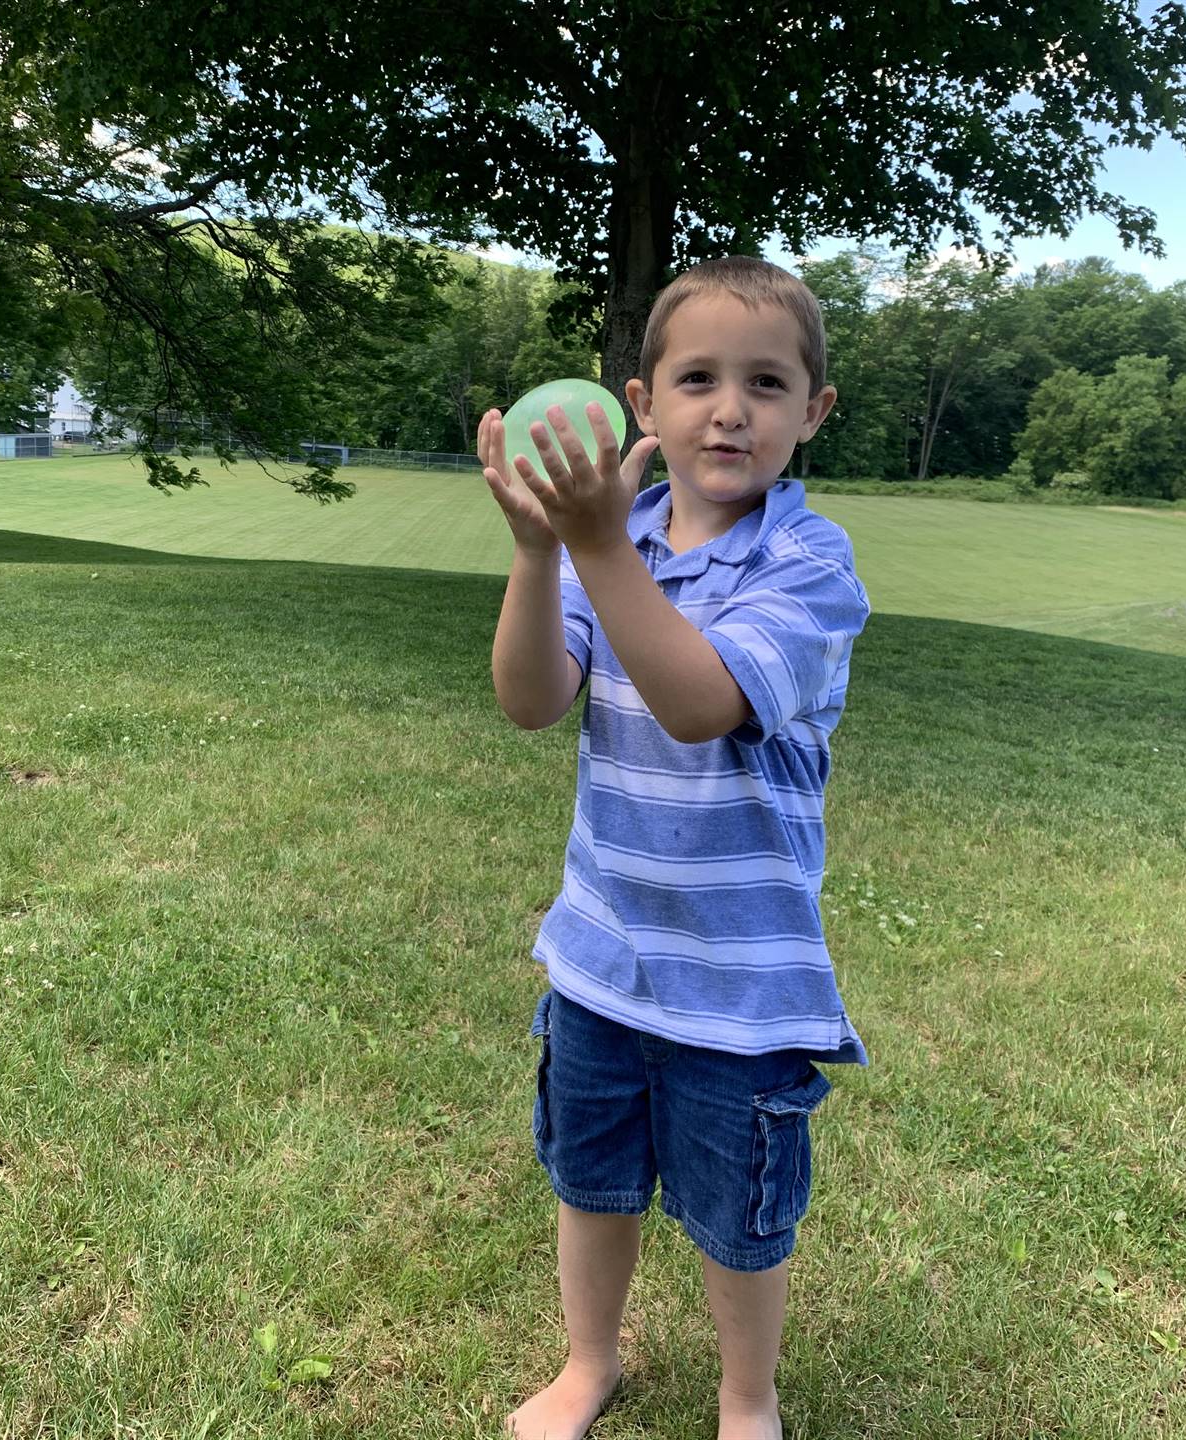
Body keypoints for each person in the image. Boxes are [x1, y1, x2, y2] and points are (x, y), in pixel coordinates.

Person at [478, 255, 870, 1440]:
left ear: (814, 411)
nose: (730, 408)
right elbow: (531, 700)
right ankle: (586, 1362)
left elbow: (701, 699)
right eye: (696, 378)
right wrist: (545, 550)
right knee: (591, 1183)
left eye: (766, 381)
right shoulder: (622, 543)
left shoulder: (810, 568)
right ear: (641, 405)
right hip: (603, 957)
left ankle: (747, 1398)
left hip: (740, 984)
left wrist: (593, 548)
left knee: (740, 1218)